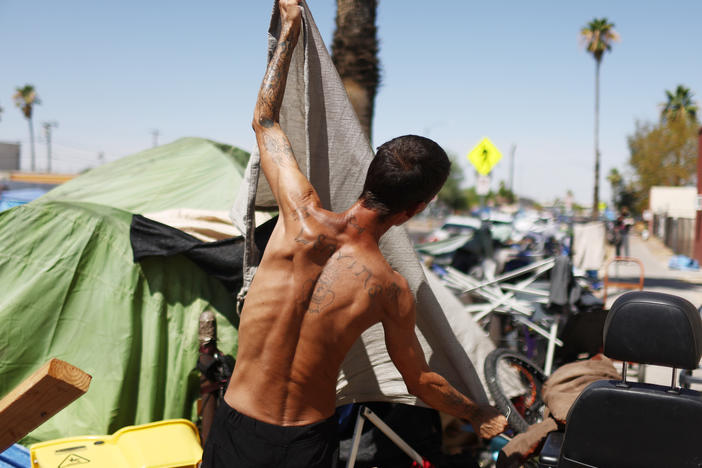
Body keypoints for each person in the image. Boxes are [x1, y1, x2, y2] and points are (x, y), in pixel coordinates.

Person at [201, 2, 507, 466]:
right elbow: (420, 382)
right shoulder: (391, 290)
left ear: (368, 176)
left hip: (238, 424)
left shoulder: (298, 214)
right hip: (304, 441)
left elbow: (265, 120)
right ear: (418, 208)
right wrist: (477, 412)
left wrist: (288, 34)